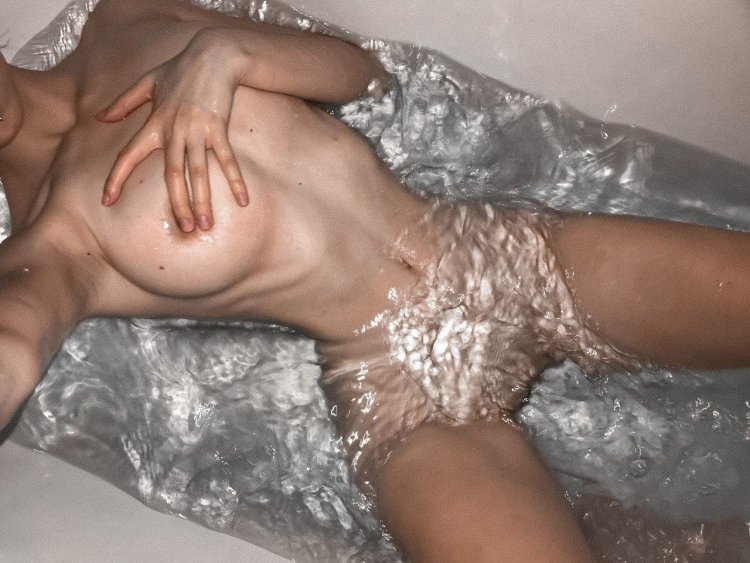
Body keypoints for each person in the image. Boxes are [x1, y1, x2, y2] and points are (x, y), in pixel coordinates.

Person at [1, 0, 749, 560]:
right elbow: (14, 337)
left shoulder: (123, 15)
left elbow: (362, 71)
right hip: (409, 400)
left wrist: (223, 55)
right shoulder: (45, 242)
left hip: (510, 258)